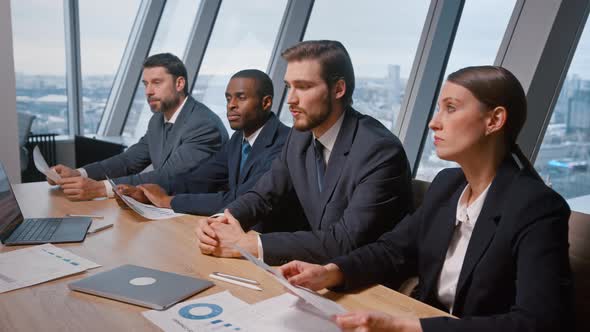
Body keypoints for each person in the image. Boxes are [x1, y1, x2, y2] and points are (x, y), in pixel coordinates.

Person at [279, 66, 573, 332]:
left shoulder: (537, 208)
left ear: (494, 120)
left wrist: (408, 327)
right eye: (438, 109)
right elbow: (392, 250)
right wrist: (331, 272)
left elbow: (538, 321)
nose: (434, 123)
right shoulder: (447, 185)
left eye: (451, 108)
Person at [195, 40, 413, 265]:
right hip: (315, 271)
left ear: (338, 89)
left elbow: (345, 241)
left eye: (304, 87)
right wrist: (220, 222)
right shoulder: (300, 137)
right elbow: (262, 196)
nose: (291, 99)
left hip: (372, 285)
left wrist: (249, 245)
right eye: (289, 86)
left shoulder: (379, 150)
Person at [48, 53, 228, 201]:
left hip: (199, 218)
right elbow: (128, 161)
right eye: (146, 84)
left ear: (179, 84)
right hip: (165, 209)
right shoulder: (158, 120)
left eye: (157, 83)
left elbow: (168, 177)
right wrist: (79, 173)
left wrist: (101, 189)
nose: (148, 91)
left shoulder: (203, 125)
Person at [115, 69, 290, 216]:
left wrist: (168, 201)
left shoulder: (285, 144)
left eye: (241, 97)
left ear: (266, 102)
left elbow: (241, 199)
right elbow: (200, 178)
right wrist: (148, 192)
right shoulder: (238, 140)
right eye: (228, 98)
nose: (231, 105)